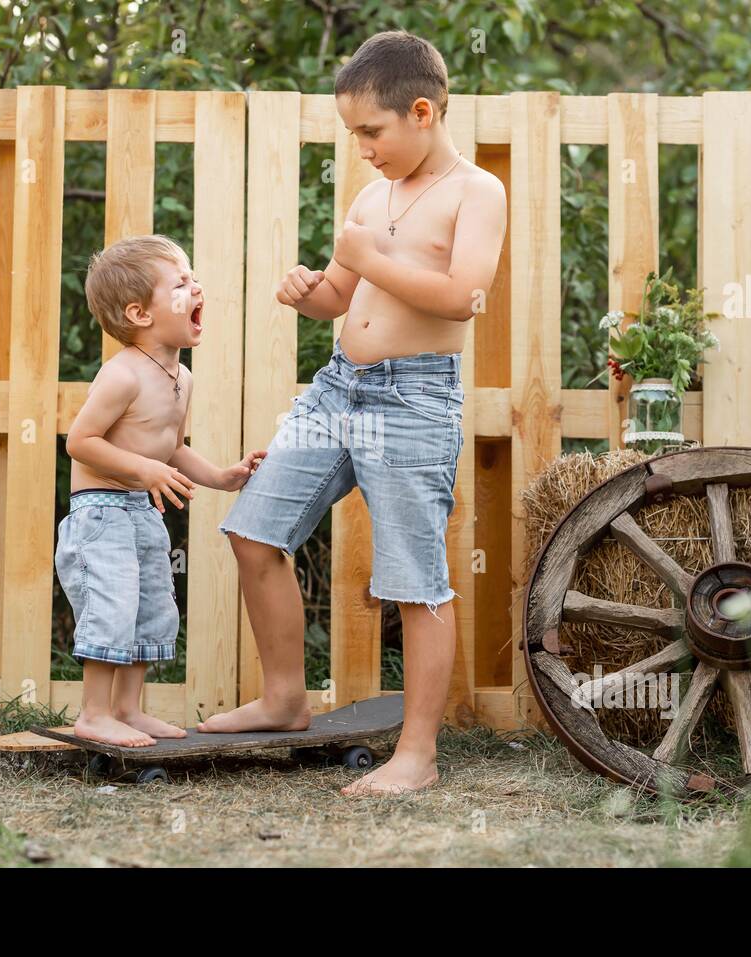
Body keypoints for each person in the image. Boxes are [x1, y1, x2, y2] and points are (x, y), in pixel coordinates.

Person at [208, 30, 508, 795]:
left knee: (415, 580)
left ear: (421, 111)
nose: (363, 149)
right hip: (339, 387)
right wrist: (311, 292)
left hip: (414, 399)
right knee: (252, 529)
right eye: (353, 135)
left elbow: (463, 298)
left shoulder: (477, 192)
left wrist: (370, 259)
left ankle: (417, 754)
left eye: (370, 132)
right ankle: (284, 698)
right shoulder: (373, 195)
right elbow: (344, 294)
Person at [58, 235, 266, 746]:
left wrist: (220, 476)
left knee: (152, 606)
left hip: (140, 511)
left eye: (193, 277)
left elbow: (170, 446)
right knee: (112, 604)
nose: (196, 287)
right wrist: (143, 471)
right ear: (139, 313)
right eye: (181, 283)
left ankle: (128, 709)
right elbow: (79, 443)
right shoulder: (122, 374)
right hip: (101, 513)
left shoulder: (182, 377)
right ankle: (94, 713)